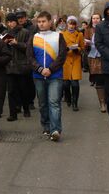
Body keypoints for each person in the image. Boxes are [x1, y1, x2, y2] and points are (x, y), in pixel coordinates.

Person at [27, 11, 67, 142]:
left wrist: (50, 69)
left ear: (50, 22)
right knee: (43, 103)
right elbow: (30, 57)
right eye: (39, 22)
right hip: (38, 76)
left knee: (54, 102)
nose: (41, 24)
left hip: (55, 75)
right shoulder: (33, 37)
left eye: (43, 21)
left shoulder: (58, 36)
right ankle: (46, 126)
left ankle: (56, 129)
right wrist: (40, 69)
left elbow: (62, 56)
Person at [5, 13, 33, 121]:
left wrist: (17, 43)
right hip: (10, 66)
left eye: (12, 21)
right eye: (8, 22)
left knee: (23, 89)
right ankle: (13, 113)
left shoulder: (25, 32)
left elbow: (28, 47)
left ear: (16, 22)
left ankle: (26, 108)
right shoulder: (6, 33)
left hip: (22, 66)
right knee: (11, 91)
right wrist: (5, 44)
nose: (10, 24)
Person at [61, 16, 85, 111]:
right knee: (66, 84)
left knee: (75, 84)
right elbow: (59, 48)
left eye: (73, 24)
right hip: (66, 61)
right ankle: (68, 98)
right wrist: (65, 49)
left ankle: (75, 103)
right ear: (67, 24)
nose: (72, 26)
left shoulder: (79, 35)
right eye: (70, 24)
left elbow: (82, 48)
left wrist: (77, 49)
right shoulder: (62, 34)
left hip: (75, 60)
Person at [85, 13, 107, 112]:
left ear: (100, 19)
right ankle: (102, 103)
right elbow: (85, 45)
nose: (95, 20)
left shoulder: (105, 28)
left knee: (107, 79)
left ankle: (107, 101)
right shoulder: (88, 29)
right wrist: (86, 44)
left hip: (105, 56)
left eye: (97, 18)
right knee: (99, 80)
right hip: (94, 58)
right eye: (93, 18)